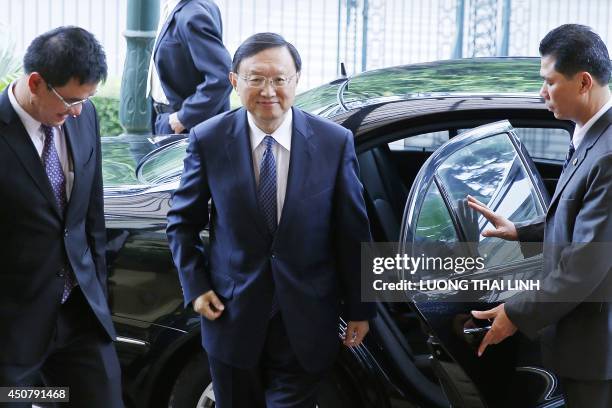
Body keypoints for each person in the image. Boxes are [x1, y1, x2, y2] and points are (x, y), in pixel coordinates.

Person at [166, 32, 375, 407]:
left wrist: (360, 307)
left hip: (307, 317)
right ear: (234, 81)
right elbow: (182, 223)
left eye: (280, 79)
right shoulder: (209, 140)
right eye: (256, 79)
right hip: (231, 315)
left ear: (296, 80)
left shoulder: (333, 143)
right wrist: (196, 288)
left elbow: (353, 233)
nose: (269, 90)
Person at [468, 24, 612, 408]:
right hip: (578, 341)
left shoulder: (609, 154)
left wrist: (515, 313)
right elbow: (580, 217)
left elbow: (585, 264)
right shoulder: (591, 135)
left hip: (595, 349)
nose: (541, 93)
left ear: (583, 82)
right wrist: (521, 231)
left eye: (549, 82)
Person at [0, 27, 123, 407]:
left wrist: (98, 292)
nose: (78, 111)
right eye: (70, 100)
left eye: (87, 99)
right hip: (13, 330)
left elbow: (91, 217)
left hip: (79, 314)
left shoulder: (83, 120)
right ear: (35, 82)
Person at [148, 0, 232, 135]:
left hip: (184, 128)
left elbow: (222, 76)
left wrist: (184, 117)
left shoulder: (193, 14)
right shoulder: (177, 7)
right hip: (171, 121)